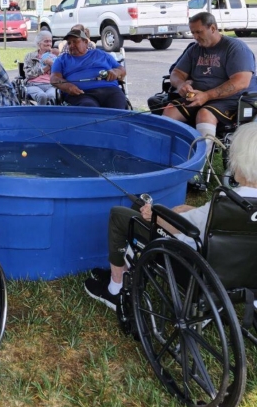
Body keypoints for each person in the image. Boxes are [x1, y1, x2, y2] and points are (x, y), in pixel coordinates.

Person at [84, 122, 257, 309]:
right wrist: (189, 210)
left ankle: (115, 288)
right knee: (160, 209)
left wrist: (155, 216)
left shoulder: (226, 201)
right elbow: (215, 222)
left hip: (193, 263)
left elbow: (180, 227)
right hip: (243, 269)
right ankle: (124, 271)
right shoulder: (237, 204)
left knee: (120, 215)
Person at [162, 12, 257, 155]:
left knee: (205, 114)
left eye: (199, 32)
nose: (195, 36)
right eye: (193, 32)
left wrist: (207, 96)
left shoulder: (235, 48)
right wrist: (181, 85)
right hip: (198, 96)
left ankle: (199, 167)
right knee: (170, 109)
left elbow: (241, 82)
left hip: (230, 99)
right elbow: (176, 73)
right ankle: (168, 157)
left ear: (212, 28)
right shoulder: (195, 49)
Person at [50, 29, 127, 108]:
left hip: (110, 90)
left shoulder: (100, 54)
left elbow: (122, 69)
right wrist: (67, 86)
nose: (71, 45)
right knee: (89, 109)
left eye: (75, 41)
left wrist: (116, 72)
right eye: (69, 43)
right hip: (81, 94)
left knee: (118, 108)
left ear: (86, 42)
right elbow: (54, 79)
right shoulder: (61, 60)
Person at [22, 31, 57, 105]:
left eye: (50, 41)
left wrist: (52, 63)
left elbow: (59, 73)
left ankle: (52, 116)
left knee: (52, 96)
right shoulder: (30, 56)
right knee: (42, 96)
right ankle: (41, 115)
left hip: (51, 85)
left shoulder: (55, 56)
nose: (49, 44)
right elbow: (28, 74)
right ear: (39, 43)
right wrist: (46, 67)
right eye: (46, 41)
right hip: (34, 84)